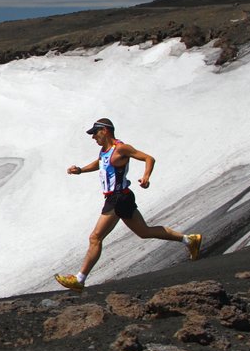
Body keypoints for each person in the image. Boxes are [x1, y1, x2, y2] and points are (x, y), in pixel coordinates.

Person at [54, 118, 201, 291]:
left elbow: (149, 158)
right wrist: (80, 170)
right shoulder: (105, 151)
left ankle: (79, 279)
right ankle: (189, 240)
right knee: (144, 232)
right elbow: (100, 163)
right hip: (121, 197)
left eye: (95, 133)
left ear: (106, 131)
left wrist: (146, 177)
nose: (93, 137)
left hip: (118, 198)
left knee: (95, 237)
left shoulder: (121, 148)